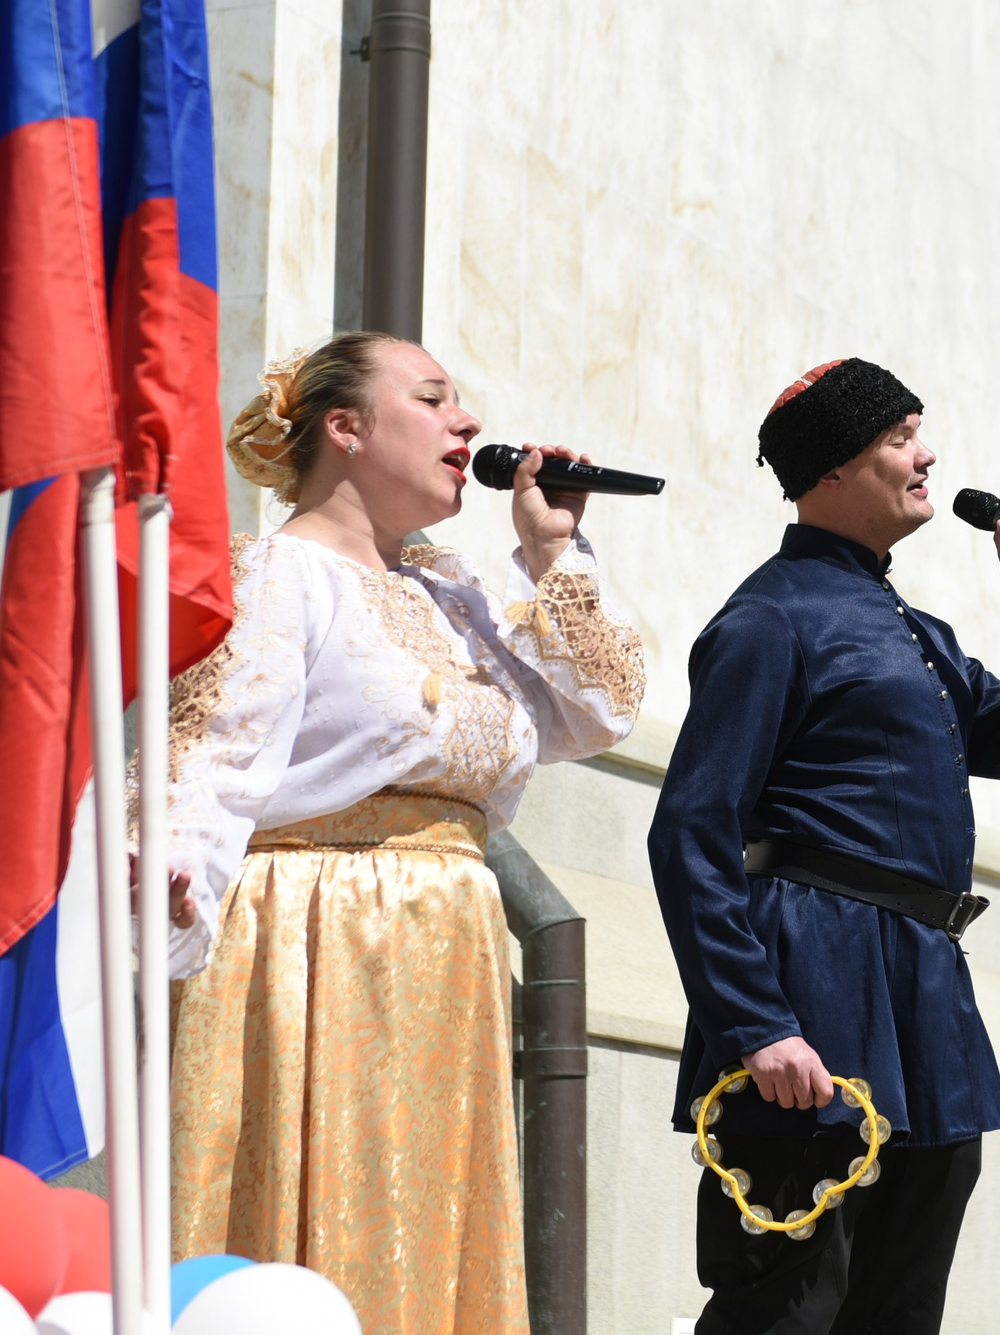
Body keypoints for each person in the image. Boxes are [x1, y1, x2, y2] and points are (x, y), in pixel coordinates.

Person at [158, 332, 644, 1335]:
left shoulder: (453, 593)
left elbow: (602, 710)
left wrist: (554, 549)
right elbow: (208, 750)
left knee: (429, 1233)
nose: (468, 421)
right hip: (320, 943)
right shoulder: (280, 573)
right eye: (432, 398)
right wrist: (163, 871)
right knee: (332, 1215)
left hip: (447, 951)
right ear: (345, 427)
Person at [647, 358, 1000, 1335]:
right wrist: (755, 1020)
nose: (927, 452)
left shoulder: (915, 631)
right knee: (787, 1302)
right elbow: (690, 829)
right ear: (832, 471)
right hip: (809, 979)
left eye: (919, 430)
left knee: (900, 1306)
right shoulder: (768, 619)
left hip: (925, 994)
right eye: (898, 436)